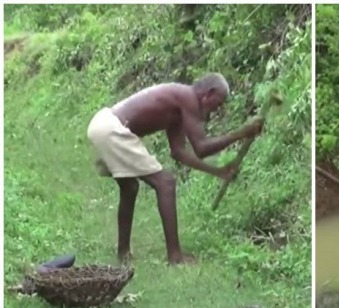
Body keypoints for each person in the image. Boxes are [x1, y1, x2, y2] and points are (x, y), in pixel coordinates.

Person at [86, 73, 263, 265]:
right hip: (111, 128)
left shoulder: (179, 105)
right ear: (208, 93)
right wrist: (241, 133)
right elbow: (201, 148)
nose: (215, 111)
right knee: (166, 184)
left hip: (102, 124)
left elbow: (179, 152)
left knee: (130, 188)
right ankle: (175, 256)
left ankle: (123, 254)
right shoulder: (188, 98)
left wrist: (217, 171)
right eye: (217, 104)